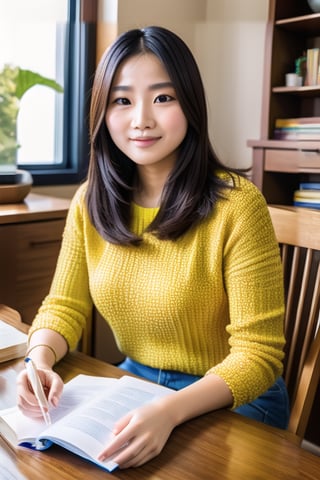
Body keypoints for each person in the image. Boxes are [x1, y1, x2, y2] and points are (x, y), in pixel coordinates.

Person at [17, 26, 289, 469]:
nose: (141, 118)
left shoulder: (239, 205)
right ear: (102, 111)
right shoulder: (90, 199)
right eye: (122, 100)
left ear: (191, 104)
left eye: (163, 98)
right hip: (135, 381)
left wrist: (170, 409)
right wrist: (40, 358)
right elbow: (64, 305)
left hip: (233, 397)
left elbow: (258, 357)